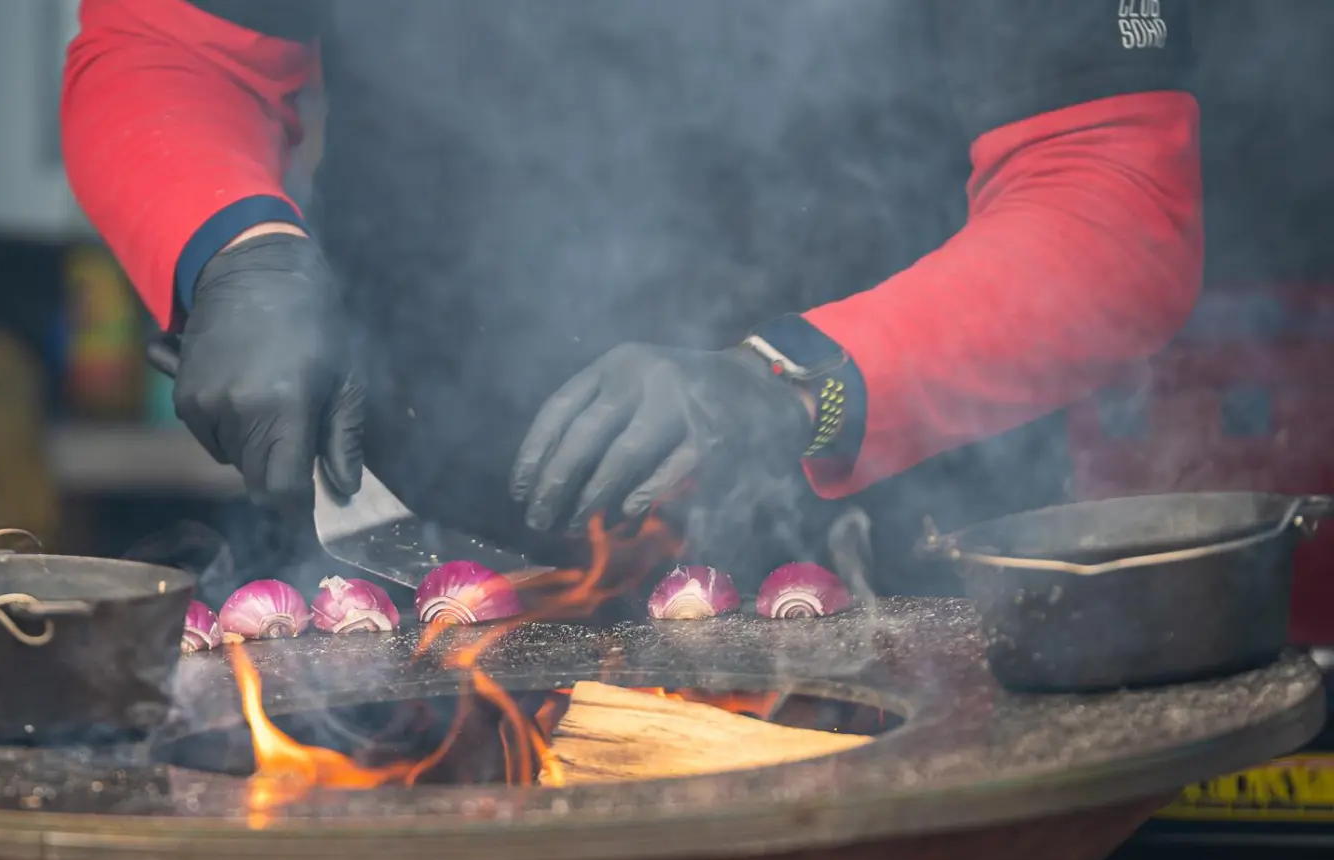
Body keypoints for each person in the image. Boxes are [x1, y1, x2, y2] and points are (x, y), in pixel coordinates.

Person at [61, 0, 1202, 593]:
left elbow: (1111, 195)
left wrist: (791, 384)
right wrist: (240, 251)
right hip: (416, 569)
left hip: (884, 575)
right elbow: (173, 46)